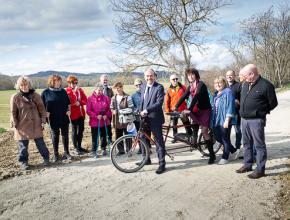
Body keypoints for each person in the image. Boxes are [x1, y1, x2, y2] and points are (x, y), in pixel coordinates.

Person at [236, 64, 278, 179]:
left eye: (245, 75)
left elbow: (273, 103)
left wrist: (261, 111)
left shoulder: (266, 85)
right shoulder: (244, 84)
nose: (243, 78)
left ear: (252, 74)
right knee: (246, 144)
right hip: (244, 120)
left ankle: (260, 170)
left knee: (259, 145)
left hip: (256, 120)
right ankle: (247, 164)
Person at [176, 67, 215, 164]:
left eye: (192, 74)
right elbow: (184, 96)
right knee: (193, 125)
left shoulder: (201, 85)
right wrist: (176, 106)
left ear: (196, 75)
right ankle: (193, 140)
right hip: (196, 110)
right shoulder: (190, 86)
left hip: (205, 110)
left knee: (205, 131)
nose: (190, 76)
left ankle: (212, 155)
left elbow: (196, 96)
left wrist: (189, 109)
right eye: (188, 75)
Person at [10, 76, 50, 170]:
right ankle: (23, 162)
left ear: (29, 85)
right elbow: (13, 112)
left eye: (26, 84)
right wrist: (15, 124)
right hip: (22, 126)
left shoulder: (36, 95)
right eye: (22, 85)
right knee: (23, 147)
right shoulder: (15, 97)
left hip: (36, 124)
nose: (24, 87)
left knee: (41, 144)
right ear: (19, 86)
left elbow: (42, 110)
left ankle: (46, 159)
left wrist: (43, 121)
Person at [140, 68, 166, 174]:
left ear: (154, 76)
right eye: (147, 76)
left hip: (155, 119)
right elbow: (142, 101)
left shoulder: (159, 87)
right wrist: (139, 110)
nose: (149, 78)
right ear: (144, 77)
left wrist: (146, 110)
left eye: (151, 75)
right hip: (145, 119)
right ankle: (146, 159)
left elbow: (159, 103)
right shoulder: (143, 87)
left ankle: (162, 164)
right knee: (143, 139)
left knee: (159, 142)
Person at [41, 74, 71, 162]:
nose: (58, 82)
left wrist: (69, 110)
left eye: (59, 81)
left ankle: (66, 152)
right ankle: (56, 154)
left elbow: (68, 103)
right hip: (52, 118)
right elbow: (41, 106)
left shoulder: (63, 91)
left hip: (64, 116)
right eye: (56, 81)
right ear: (51, 82)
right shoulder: (45, 92)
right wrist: (45, 113)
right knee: (55, 136)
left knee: (65, 135)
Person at [212, 76, 238, 165]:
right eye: (216, 83)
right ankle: (233, 150)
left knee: (225, 138)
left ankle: (225, 157)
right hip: (216, 119)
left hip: (225, 119)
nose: (218, 84)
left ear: (224, 83)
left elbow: (230, 107)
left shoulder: (228, 92)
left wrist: (227, 120)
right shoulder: (215, 94)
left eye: (220, 82)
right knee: (217, 137)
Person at [164, 74, 192, 142]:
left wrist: (189, 107)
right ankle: (175, 137)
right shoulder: (169, 90)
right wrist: (167, 111)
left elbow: (189, 98)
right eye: (173, 79)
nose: (175, 80)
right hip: (174, 110)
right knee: (174, 125)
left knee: (186, 123)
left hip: (183, 110)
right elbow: (167, 101)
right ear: (170, 81)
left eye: (176, 78)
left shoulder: (183, 87)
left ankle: (190, 136)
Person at [87, 83, 112, 156]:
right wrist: (95, 116)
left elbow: (109, 109)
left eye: (101, 90)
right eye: (98, 90)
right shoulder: (90, 98)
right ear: (95, 89)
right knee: (95, 136)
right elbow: (88, 110)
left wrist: (106, 115)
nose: (100, 91)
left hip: (104, 120)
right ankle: (94, 150)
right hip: (95, 121)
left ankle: (103, 148)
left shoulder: (106, 98)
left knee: (103, 135)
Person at [66, 75, 88, 155]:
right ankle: (75, 148)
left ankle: (79, 146)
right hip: (73, 115)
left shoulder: (80, 90)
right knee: (74, 131)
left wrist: (80, 103)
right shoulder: (67, 91)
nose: (74, 84)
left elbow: (85, 100)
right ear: (69, 83)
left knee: (81, 130)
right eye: (72, 83)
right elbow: (68, 103)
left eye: (75, 82)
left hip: (81, 114)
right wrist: (75, 103)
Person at [110, 82, 135, 155]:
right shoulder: (113, 98)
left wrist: (119, 111)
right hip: (117, 120)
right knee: (118, 135)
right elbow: (111, 108)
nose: (117, 89)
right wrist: (113, 111)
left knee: (128, 135)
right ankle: (121, 150)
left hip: (126, 119)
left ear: (122, 88)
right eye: (115, 88)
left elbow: (131, 109)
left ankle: (129, 150)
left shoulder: (127, 97)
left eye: (119, 87)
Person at [226, 70, 242, 154]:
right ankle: (228, 147)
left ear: (234, 76)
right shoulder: (224, 86)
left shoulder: (239, 85)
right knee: (226, 131)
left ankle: (238, 147)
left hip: (236, 113)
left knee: (238, 131)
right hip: (227, 113)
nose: (229, 77)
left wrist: (237, 101)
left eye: (231, 75)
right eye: (227, 75)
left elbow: (242, 99)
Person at [100, 74, 113, 143]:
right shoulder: (98, 89)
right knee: (102, 126)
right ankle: (103, 140)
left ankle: (109, 139)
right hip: (101, 110)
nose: (105, 81)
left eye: (106, 80)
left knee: (108, 125)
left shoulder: (110, 89)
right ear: (101, 81)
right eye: (103, 80)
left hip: (108, 111)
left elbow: (112, 98)